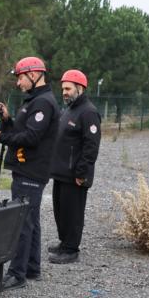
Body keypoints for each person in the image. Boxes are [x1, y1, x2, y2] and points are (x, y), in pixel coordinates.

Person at [0, 56, 60, 290]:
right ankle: (31, 268)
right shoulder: (35, 100)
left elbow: (31, 138)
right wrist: (8, 120)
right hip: (28, 170)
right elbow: (25, 130)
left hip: (30, 171)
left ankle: (16, 274)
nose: (18, 83)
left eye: (20, 78)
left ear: (34, 75)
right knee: (31, 221)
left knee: (21, 221)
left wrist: (1, 137)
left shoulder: (42, 103)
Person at [49, 69, 101, 264]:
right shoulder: (69, 109)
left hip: (75, 175)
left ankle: (71, 249)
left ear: (80, 88)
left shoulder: (89, 112)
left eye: (68, 88)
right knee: (60, 210)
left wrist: (82, 172)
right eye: (63, 88)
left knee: (73, 213)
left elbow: (91, 146)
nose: (64, 92)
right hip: (61, 173)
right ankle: (64, 243)